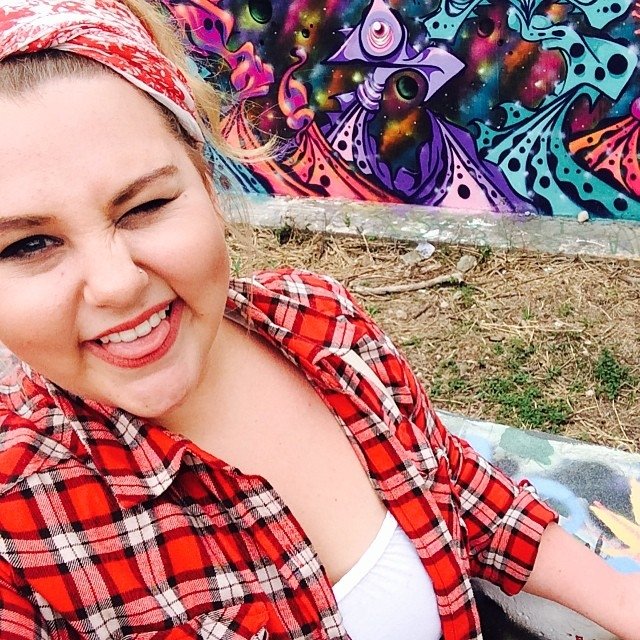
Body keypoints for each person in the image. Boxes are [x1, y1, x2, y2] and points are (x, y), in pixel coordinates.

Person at [0, 1, 635, 639]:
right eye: (29, 245)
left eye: (144, 206)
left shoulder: (321, 324)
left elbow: (458, 488)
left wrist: (621, 603)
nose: (117, 284)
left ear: (206, 183)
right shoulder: (18, 528)